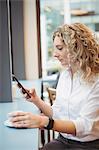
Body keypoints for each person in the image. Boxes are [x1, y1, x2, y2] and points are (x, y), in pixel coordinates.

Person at [10, 23, 99, 149]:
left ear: (77, 48)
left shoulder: (96, 81)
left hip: (88, 145)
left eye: (60, 48)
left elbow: (84, 126)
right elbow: (57, 113)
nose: (55, 54)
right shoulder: (65, 75)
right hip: (63, 140)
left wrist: (44, 122)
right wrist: (36, 101)